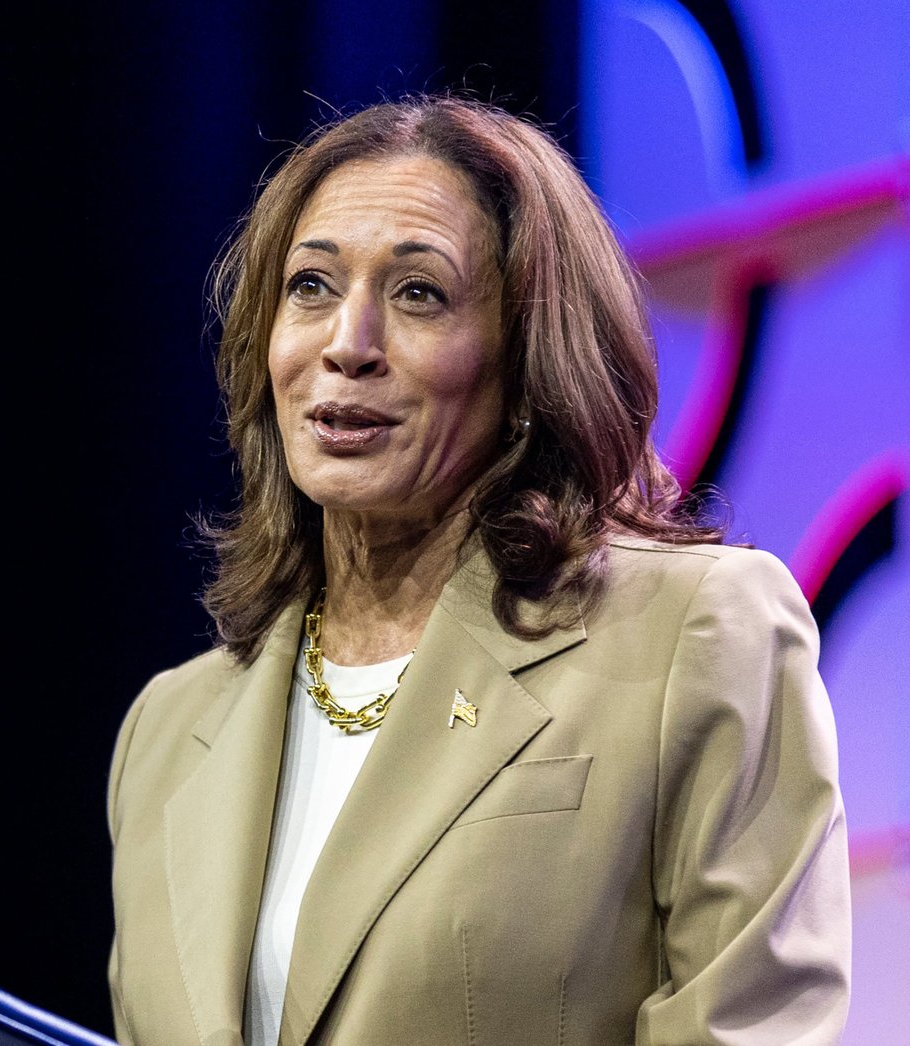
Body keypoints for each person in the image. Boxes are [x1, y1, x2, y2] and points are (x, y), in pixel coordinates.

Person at [106, 96, 851, 1046]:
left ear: (530, 359)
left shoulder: (697, 636)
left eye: (419, 293)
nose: (347, 344)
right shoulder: (169, 732)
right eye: (311, 287)